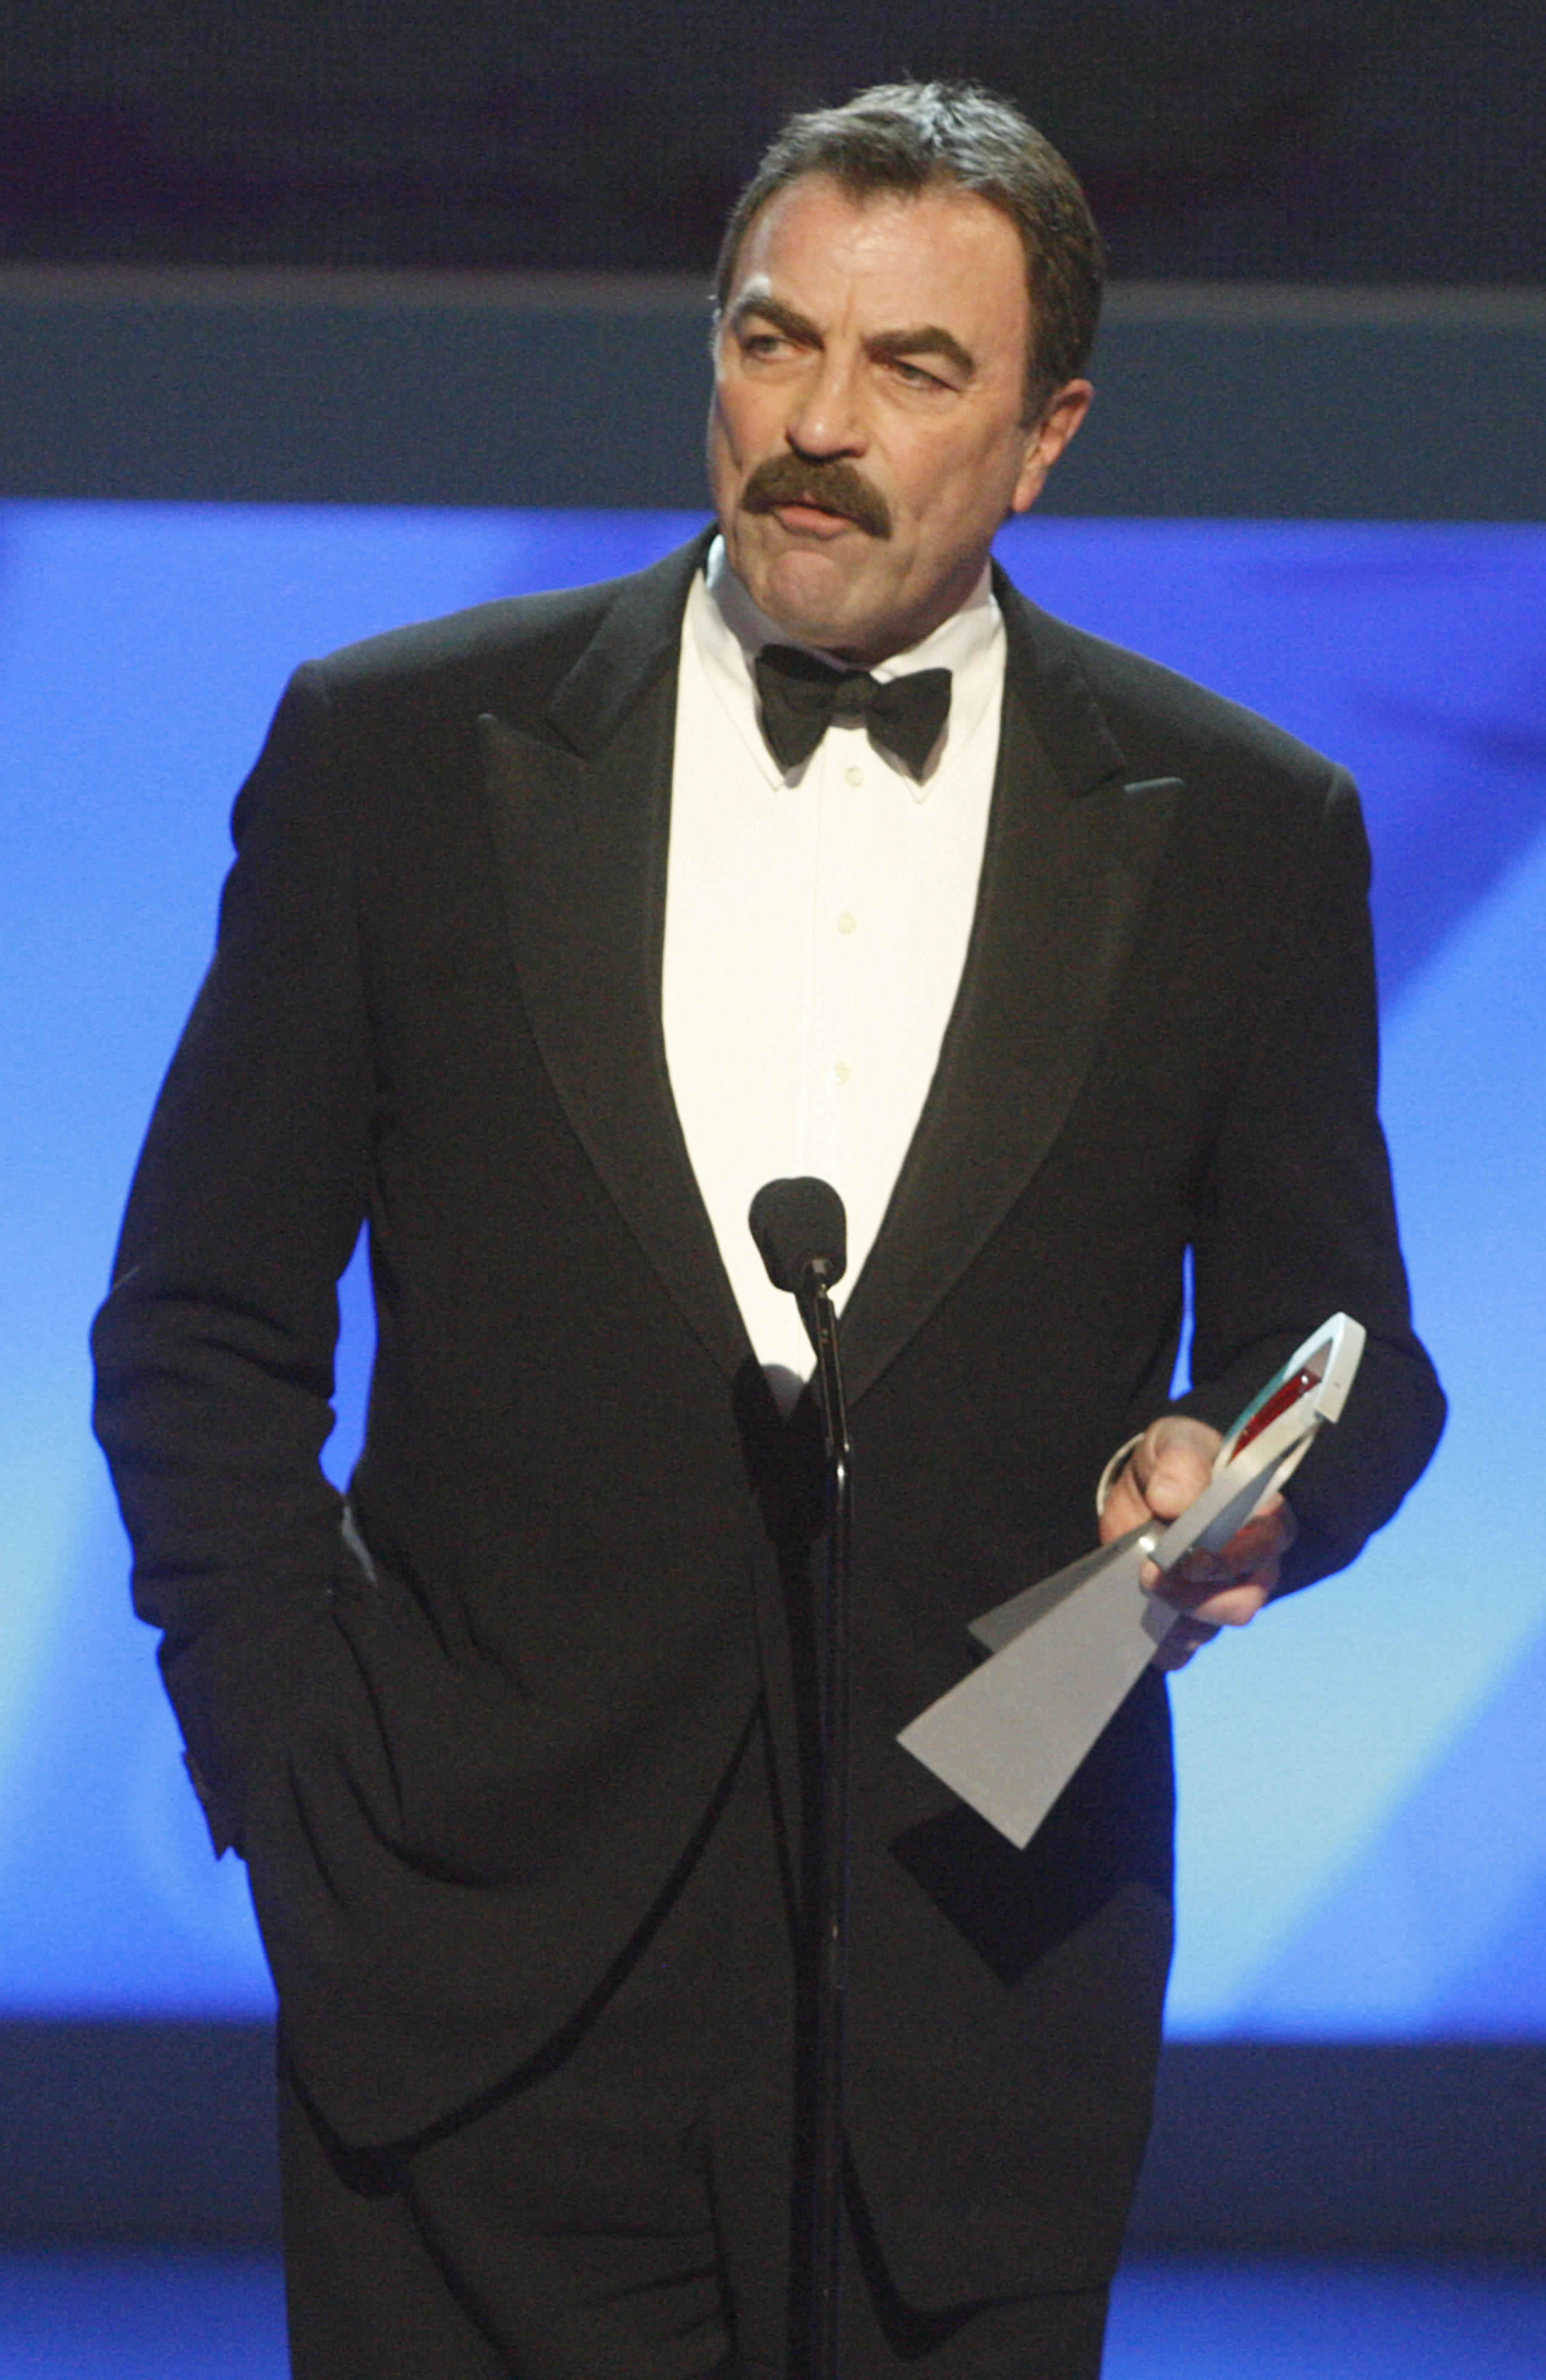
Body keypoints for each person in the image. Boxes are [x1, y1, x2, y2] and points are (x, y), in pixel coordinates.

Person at [92, 80, 1443, 2380]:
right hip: (470, 1993)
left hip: (973, 1995)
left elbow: (1359, 1359)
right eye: (769, 339)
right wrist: (296, 1800)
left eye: (915, 369)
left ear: (1046, 437)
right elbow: (204, 1326)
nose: (816, 423)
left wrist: (1224, 1476)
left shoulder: (1236, 829)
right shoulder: (403, 755)